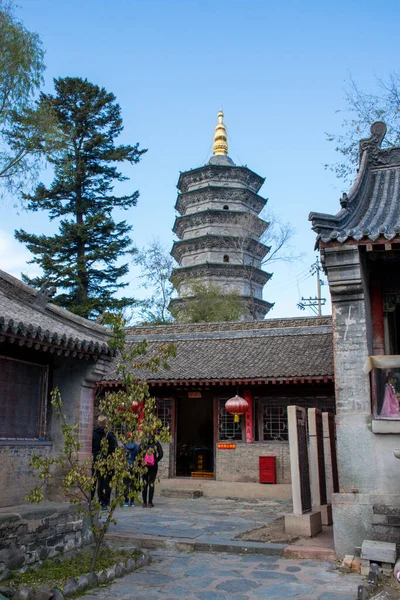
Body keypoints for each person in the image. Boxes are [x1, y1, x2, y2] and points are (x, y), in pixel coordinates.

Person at [92, 415, 117, 510]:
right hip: (106, 460)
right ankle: (105, 502)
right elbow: (112, 449)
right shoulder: (109, 434)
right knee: (106, 481)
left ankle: (96, 500)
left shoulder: (93, 433)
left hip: (95, 460)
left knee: (97, 481)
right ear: (105, 423)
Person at [140, 435, 163, 508]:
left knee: (144, 483)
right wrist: (155, 460)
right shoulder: (156, 442)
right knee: (151, 483)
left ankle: (144, 503)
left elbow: (138, 451)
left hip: (144, 465)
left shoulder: (143, 442)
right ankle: (150, 502)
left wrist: (142, 460)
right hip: (153, 465)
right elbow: (161, 454)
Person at [124, 435, 140, 507]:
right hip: (134, 466)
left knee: (126, 484)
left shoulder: (125, 447)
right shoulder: (137, 447)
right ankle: (132, 501)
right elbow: (138, 457)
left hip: (126, 466)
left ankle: (126, 501)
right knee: (133, 484)